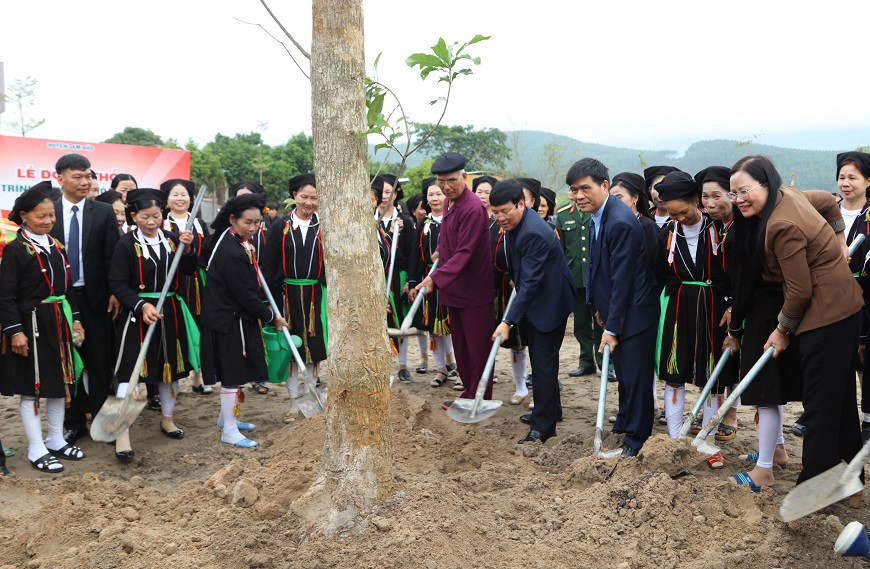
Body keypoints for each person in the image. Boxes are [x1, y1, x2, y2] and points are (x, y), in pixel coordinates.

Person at [724, 155, 863, 493]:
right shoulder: (791, 194)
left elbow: (799, 292)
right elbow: (830, 204)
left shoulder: (779, 225)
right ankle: (852, 482)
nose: (739, 199)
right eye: (734, 193)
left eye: (745, 191)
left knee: (820, 407)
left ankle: (813, 490)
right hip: (844, 307)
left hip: (826, 316)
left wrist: (781, 330)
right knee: (840, 401)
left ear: (766, 185)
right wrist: (838, 237)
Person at [572, 157, 659, 456]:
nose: (579, 195)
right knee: (625, 375)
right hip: (618, 311)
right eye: (574, 189)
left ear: (604, 185)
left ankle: (637, 439)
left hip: (635, 313)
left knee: (635, 379)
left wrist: (612, 326)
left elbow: (623, 280)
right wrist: (601, 307)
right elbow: (601, 268)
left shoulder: (619, 221)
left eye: (585, 188)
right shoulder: (601, 215)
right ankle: (624, 424)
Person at [0, 181, 86, 473]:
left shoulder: (56, 246)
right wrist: (15, 331)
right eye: (41, 216)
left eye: (52, 215)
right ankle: (37, 448)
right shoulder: (16, 250)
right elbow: (5, 296)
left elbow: (68, 289)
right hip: (31, 325)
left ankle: (55, 439)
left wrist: (74, 318)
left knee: (59, 384)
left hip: (58, 322)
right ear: (24, 216)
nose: (49, 221)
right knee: (32, 389)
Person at [108, 188, 198, 460]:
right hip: (137, 314)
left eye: (156, 216)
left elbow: (189, 269)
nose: (151, 222)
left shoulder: (172, 239)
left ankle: (167, 419)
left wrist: (188, 248)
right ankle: (121, 433)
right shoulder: (125, 244)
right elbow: (117, 284)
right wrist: (141, 304)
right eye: (144, 216)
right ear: (133, 216)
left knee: (169, 368)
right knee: (130, 372)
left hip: (169, 311)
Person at [654, 171, 734, 469]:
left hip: (714, 308)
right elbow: (660, 274)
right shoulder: (667, 234)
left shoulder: (718, 230)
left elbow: (732, 273)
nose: (679, 218)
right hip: (678, 309)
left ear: (695, 202)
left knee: (712, 378)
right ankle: (676, 440)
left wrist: (732, 304)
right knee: (674, 373)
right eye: (672, 214)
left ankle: (707, 441)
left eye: (684, 211)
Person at [490, 180, 576, 443]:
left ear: (521, 204)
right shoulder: (518, 224)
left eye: (505, 211)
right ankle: (551, 410)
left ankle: (543, 427)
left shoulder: (533, 232)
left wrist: (507, 321)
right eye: (495, 212)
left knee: (542, 364)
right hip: (538, 298)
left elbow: (530, 285)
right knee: (544, 362)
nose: (500, 218)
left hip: (550, 303)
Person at [200, 193, 287, 448]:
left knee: (234, 373)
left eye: (257, 222)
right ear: (232, 220)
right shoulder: (230, 250)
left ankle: (225, 419)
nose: (253, 228)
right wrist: (272, 316)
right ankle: (228, 430)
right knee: (232, 374)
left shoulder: (236, 241)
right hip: (228, 320)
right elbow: (245, 294)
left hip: (234, 315)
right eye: (247, 222)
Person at [413, 152, 495, 410]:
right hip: (454, 289)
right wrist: (440, 249)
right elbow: (450, 237)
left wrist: (434, 279)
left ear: (464, 177)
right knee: (461, 345)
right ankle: (469, 393)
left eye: (451, 180)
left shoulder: (473, 208)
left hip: (474, 290)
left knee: (478, 347)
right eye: (441, 181)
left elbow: (466, 252)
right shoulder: (450, 203)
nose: (446, 187)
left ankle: (480, 398)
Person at [49, 154, 121, 445]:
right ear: (60, 178)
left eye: (88, 176)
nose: (84, 181)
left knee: (100, 361)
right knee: (69, 363)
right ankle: (74, 422)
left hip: (97, 299)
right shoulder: (49, 212)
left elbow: (113, 256)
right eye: (77, 176)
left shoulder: (102, 211)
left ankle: (104, 421)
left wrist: (115, 291)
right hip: (62, 301)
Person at [262, 173, 327, 421]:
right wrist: (269, 301)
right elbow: (268, 266)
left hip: (315, 296)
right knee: (291, 349)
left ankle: (310, 397)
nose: (309, 203)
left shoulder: (324, 224)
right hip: (286, 295)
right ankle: (292, 402)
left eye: (314, 198)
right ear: (294, 197)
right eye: (304, 197)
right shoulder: (280, 226)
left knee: (313, 350)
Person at [694, 166, 741, 439]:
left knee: (737, 358)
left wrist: (734, 305)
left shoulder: (745, 224)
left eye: (717, 195)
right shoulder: (714, 226)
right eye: (705, 197)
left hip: (745, 304)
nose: (710, 204)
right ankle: (718, 409)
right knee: (720, 354)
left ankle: (731, 413)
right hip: (720, 301)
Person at [554, 180, 613, 380]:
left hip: (596, 278)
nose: (575, 194)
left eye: (580, 189)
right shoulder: (562, 215)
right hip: (575, 277)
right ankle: (586, 362)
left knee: (601, 322)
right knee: (580, 323)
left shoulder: (596, 211)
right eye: (572, 189)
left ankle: (605, 362)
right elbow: (561, 249)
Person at [160, 178, 212, 395]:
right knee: (176, 329)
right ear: (167, 199)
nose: (180, 198)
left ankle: (198, 378)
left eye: (184, 195)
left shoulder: (199, 223)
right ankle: (174, 378)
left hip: (198, 285)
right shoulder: (160, 223)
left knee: (200, 327)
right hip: (171, 284)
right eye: (175, 194)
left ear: (191, 199)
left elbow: (208, 252)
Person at [407, 178, 458, 390]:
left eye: (438, 193)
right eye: (430, 194)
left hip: (453, 279)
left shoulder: (454, 219)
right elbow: (415, 256)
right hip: (429, 281)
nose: (435, 198)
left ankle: (461, 370)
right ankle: (441, 369)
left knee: (454, 326)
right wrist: (412, 281)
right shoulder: (422, 224)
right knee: (434, 329)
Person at [834, 152, 870, 442]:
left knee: (865, 355)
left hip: (866, 293)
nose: (846, 183)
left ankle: (868, 417)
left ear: (868, 181)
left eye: (853, 178)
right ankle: (834, 412)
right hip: (833, 293)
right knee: (837, 355)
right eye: (842, 177)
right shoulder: (829, 211)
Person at [374, 174, 417, 383]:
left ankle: (402, 365)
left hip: (397, 277)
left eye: (388, 191)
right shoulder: (369, 221)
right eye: (380, 192)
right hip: (375, 278)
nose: (384, 196)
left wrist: (410, 281)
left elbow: (411, 254)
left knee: (400, 322)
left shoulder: (405, 222)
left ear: (396, 192)